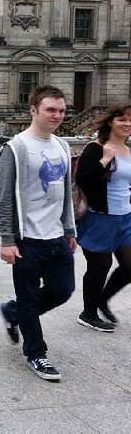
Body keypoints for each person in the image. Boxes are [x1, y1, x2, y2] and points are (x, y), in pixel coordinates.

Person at [0, 85, 76, 382]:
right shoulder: (15, 148)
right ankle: (36, 353)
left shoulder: (63, 146)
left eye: (61, 110)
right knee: (29, 298)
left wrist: (69, 229)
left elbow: (65, 193)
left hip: (56, 235)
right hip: (26, 237)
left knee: (63, 289)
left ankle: (13, 312)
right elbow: (4, 198)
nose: (57, 115)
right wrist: (6, 239)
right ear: (34, 110)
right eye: (50, 110)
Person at [76, 102, 131, 332]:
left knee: (129, 266)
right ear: (111, 122)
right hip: (100, 217)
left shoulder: (129, 151)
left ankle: (102, 300)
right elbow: (84, 179)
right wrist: (105, 159)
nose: (127, 124)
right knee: (100, 265)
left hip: (125, 217)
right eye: (122, 119)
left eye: (130, 120)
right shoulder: (96, 148)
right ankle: (88, 313)